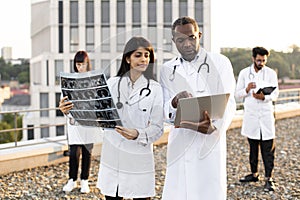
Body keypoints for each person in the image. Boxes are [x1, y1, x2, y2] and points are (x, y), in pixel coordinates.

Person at [160, 16, 236, 200]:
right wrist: (173, 102)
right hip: (180, 142)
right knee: (178, 193)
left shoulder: (220, 63)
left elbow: (229, 102)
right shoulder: (166, 69)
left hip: (209, 141)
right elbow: (163, 111)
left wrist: (213, 127)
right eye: (180, 40)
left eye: (191, 38)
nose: (187, 44)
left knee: (208, 193)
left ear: (199, 35)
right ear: (173, 41)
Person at [97, 36, 164, 200]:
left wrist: (137, 133)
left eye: (147, 55)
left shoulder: (155, 89)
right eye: (138, 55)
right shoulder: (111, 84)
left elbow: (158, 128)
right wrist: (68, 110)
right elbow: (95, 113)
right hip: (113, 158)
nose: (143, 59)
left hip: (138, 156)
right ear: (127, 58)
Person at [235, 47, 279, 192]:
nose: (261, 63)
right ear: (253, 58)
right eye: (259, 60)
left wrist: (264, 97)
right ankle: (254, 174)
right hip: (252, 117)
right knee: (253, 148)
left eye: (264, 60)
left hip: (266, 116)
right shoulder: (244, 73)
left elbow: (275, 93)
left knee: (268, 150)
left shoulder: (271, 73)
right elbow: (237, 94)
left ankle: (268, 178)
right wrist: (247, 89)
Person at [59, 50, 101, 193]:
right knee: (73, 152)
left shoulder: (93, 81)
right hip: (74, 122)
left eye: (83, 64)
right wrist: (64, 109)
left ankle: (84, 180)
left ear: (88, 64)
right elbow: (63, 101)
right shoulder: (69, 81)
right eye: (78, 64)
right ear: (75, 65)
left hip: (89, 122)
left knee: (87, 151)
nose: (81, 67)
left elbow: (98, 101)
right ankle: (72, 180)